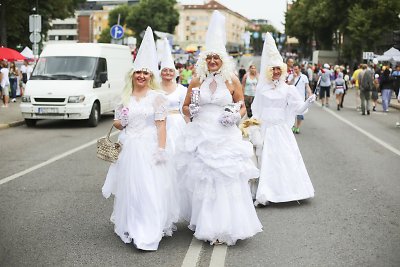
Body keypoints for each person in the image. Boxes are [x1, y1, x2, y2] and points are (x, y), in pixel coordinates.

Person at [176, 11, 262, 246]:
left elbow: (242, 105)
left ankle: (230, 224)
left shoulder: (232, 80)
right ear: (204, 60)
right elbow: (185, 106)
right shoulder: (195, 81)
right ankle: (208, 224)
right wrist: (190, 112)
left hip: (225, 135)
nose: (213, 61)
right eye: (209, 58)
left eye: (217, 58)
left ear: (223, 60)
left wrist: (234, 114)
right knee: (205, 180)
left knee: (227, 178)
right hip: (202, 134)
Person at [101, 27, 179, 251]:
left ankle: (149, 229)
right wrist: (121, 119)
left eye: (146, 73)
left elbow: (161, 125)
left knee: (149, 188)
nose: (142, 76)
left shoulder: (157, 98)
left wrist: (161, 149)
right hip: (129, 147)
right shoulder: (125, 97)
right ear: (133, 75)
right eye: (138, 73)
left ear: (150, 77)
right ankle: (133, 226)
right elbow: (117, 123)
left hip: (149, 147)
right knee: (131, 189)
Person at [251, 32, 316, 206]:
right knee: (266, 160)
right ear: (268, 71)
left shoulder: (288, 89)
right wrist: (254, 125)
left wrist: (308, 102)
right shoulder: (261, 89)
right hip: (265, 128)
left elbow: (297, 108)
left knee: (284, 158)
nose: (276, 72)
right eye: (273, 69)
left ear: (283, 70)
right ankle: (265, 192)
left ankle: (288, 191)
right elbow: (256, 109)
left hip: (280, 128)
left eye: (279, 69)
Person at [159, 38, 188, 154]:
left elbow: (184, 110)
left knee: (176, 151)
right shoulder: (154, 89)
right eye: (165, 70)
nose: (168, 73)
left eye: (171, 71)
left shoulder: (181, 89)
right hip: (159, 123)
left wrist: (190, 127)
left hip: (177, 124)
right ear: (160, 73)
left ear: (174, 73)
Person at [288, 63, 312, 133]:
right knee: (291, 113)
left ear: (299, 69)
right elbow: (288, 85)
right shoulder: (290, 76)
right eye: (294, 69)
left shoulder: (304, 77)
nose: (295, 70)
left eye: (296, 69)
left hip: (301, 98)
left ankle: (297, 127)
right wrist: (293, 78)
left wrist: (310, 94)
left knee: (300, 114)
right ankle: (292, 126)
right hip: (291, 99)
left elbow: (307, 86)